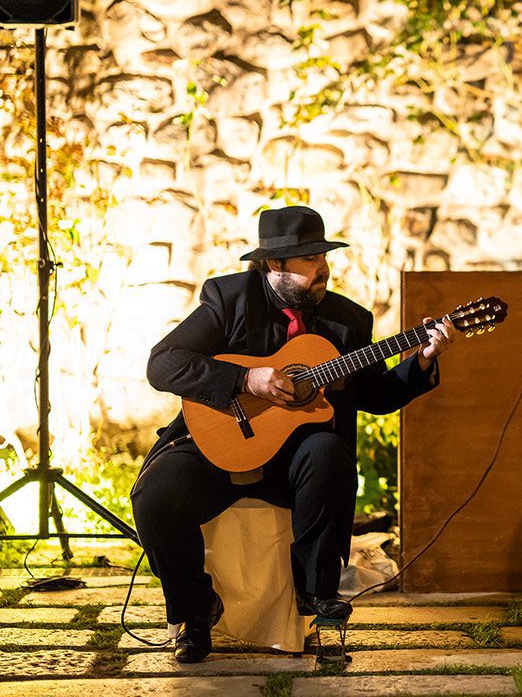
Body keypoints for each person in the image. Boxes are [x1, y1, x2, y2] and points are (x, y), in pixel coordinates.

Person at [131, 205, 456, 663]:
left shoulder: (348, 321)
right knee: (156, 496)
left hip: (295, 463)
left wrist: (420, 360)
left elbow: (377, 395)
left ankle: (316, 596)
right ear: (274, 266)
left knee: (329, 452)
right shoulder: (228, 299)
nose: (322, 267)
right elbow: (162, 363)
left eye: (323, 256)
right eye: (308, 260)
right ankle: (196, 611)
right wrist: (247, 381)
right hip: (223, 443)